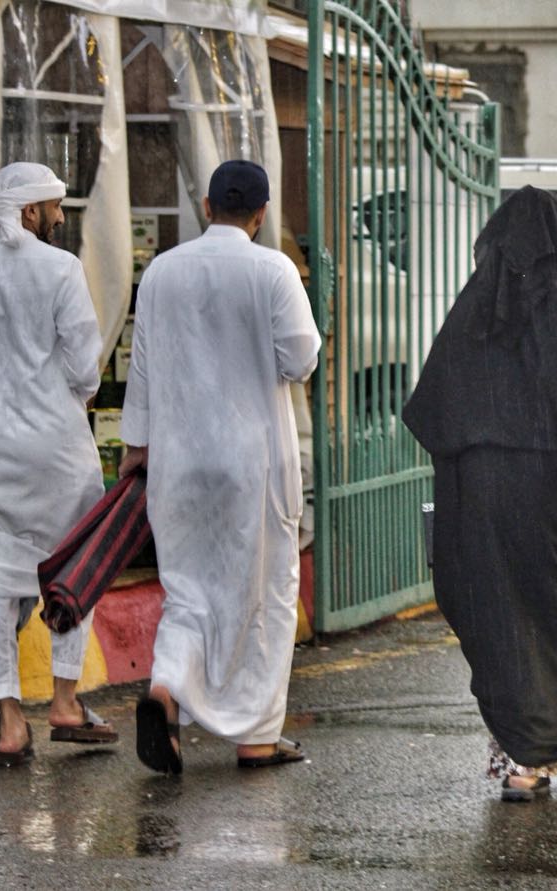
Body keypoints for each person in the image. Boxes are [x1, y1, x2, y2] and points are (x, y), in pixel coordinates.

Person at [402, 186, 557, 802]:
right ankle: (545, 752)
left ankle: (532, 754)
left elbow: (431, 407)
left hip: (475, 488)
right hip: (549, 491)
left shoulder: (472, 310)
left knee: (495, 612)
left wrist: (476, 455)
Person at [119, 159, 321, 772]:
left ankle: (165, 687)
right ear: (260, 215)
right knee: (262, 592)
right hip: (252, 463)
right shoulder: (273, 269)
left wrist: (135, 447)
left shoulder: (161, 271)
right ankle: (256, 734)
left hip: (180, 459)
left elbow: (144, 367)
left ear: (207, 206)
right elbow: (302, 359)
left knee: (188, 592)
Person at [0, 161, 118, 766]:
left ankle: (8, 721)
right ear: (29, 213)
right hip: (54, 448)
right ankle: (63, 700)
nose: (60, 215)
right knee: (71, 569)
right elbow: (84, 369)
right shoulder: (60, 268)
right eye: (55, 206)